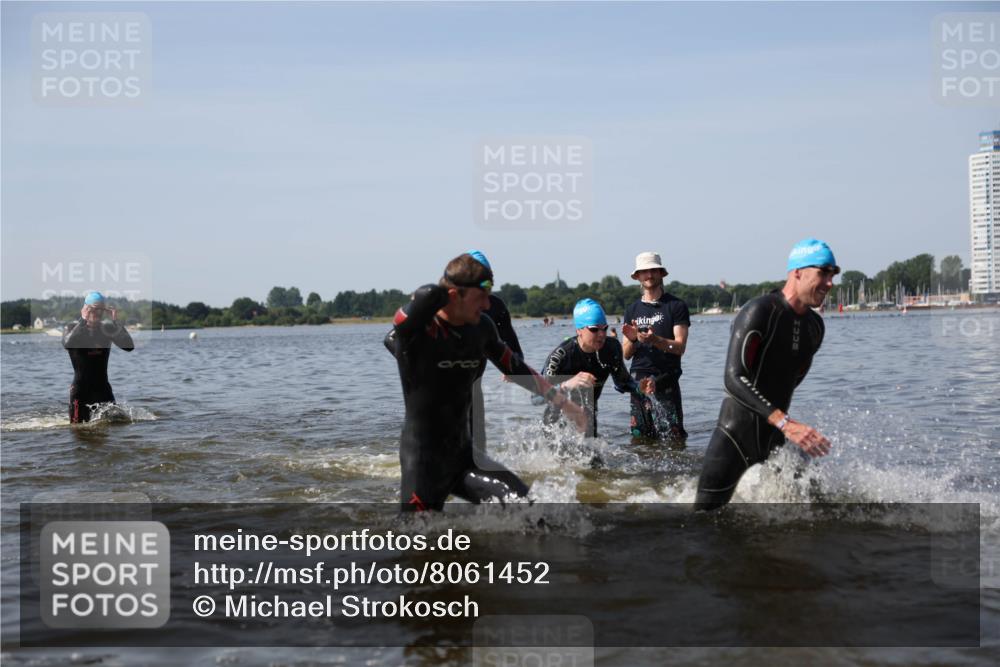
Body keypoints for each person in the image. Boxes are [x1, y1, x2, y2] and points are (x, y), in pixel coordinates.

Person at [389, 252, 587, 512]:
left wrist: (565, 404)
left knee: (532, 512)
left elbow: (516, 367)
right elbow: (399, 325)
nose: (486, 305)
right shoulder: (420, 331)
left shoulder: (482, 328)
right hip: (423, 464)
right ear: (453, 295)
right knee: (415, 545)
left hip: (464, 459)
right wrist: (435, 293)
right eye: (480, 297)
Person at [694, 238, 837, 510]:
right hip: (735, 434)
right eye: (823, 273)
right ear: (798, 272)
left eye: (832, 274)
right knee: (703, 524)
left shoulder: (815, 327)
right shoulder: (759, 311)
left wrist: (782, 426)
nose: (829, 282)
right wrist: (785, 422)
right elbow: (734, 378)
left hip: (775, 437)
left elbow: (793, 379)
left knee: (817, 513)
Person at [384, 250, 522, 457]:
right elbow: (391, 339)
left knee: (476, 450)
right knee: (435, 445)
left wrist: (512, 367)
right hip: (440, 385)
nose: (484, 299)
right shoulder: (437, 305)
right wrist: (423, 365)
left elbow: (513, 348)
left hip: (472, 381)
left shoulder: (494, 306)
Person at [536, 299, 653, 436]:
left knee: (594, 456)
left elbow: (623, 383)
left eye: (605, 328)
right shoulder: (561, 355)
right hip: (557, 422)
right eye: (594, 329)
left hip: (588, 417)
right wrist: (566, 385)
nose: (602, 334)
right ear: (579, 330)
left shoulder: (612, 348)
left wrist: (640, 387)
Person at [622, 252, 691, 443]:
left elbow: (680, 347)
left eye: (653, 270)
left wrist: (655, 340)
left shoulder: (676, 306)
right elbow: (626, 355)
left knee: (674, 440)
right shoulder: (632, 310)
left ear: (661, 273)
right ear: (637, 277)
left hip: (666, 377)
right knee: (640, 438)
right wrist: (634, 339)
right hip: (638, 381)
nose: (649, 275)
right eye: (644, 272)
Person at [62, 291, 134, 423]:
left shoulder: (107, 329)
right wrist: (83, 320)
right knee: (78, 430)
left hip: (103, 389)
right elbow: (68, 344)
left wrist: (116, 321)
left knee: (117, 424)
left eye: (100, 310)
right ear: (85, 309)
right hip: (80, 391)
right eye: (93, 309)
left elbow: (129, 346)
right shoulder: (72, 328)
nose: (96, 314)